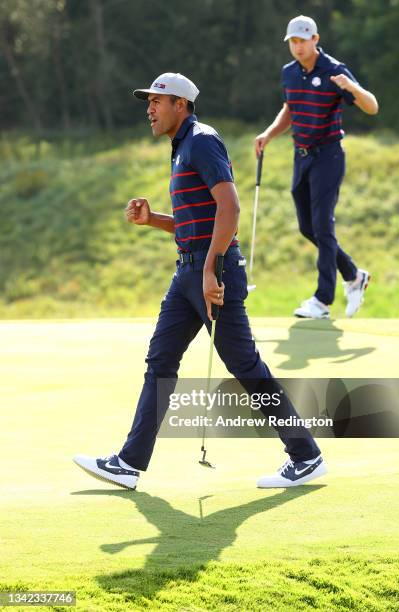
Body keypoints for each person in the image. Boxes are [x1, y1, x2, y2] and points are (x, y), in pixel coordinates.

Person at [73, 72, 327, 490]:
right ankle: (129, 463)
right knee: (160, 361)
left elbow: (230, 207)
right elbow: (198, 222)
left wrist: (211, 268)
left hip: (215, 271)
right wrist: (152, 219)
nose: (149, 109)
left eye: (157, 101)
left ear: (181, 105)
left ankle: (306, 455)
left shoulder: (202, 140)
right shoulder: (180, 148)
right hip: (188, 272)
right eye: (148, 102)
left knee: (244, 365)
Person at [255, 15, 378, 319]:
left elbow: (372, 107)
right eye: (292, 42)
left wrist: (351, 87)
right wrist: (269, 134)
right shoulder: (289, 73)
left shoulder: (335, 71)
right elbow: (290, 109)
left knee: (323, 225)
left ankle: (322, 301)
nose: (297, 47)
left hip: (329, 155)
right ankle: (354, 275)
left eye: (302, 40)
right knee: (307, 227)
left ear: (315, 40)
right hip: (302, 155)